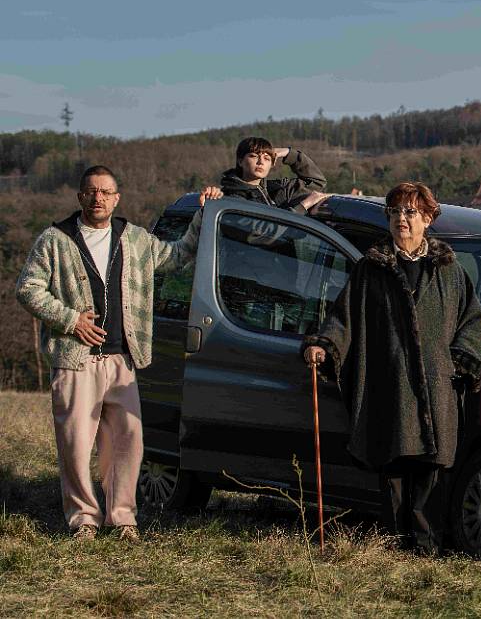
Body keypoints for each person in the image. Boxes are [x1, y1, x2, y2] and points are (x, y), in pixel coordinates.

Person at [15, 166, 222, 541]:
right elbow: (27, 288)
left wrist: (203, 213)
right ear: (80, 197)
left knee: (128, 443)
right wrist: (69, 319)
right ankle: (83, 520)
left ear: (117, 198)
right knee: (76, 445)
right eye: (91, 192)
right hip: (75, 360)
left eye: (106, 192)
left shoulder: (136, 239)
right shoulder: (54, 239)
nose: (99, 198)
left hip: (123, 359)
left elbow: (178, 257)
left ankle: (123, 517)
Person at [301, 182, 481, 555]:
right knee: (395, 465)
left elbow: (474, 320)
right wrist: (323, 345)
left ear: (429, 218)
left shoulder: (449, 271)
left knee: (432, 469)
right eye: (395, 212)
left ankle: (428, 545)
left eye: (410, 212)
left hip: (437, 386)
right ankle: (397, 542)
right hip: (390, 384)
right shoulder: (371, 269)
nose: (401, 219)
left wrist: (460, 359)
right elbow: (344, 317)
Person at [220, 136, 330, 213]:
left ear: (272, 164)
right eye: (254, 156)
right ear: (240, 161)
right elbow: (262, 234)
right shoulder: (233, 198)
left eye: (267, 158)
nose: (261, 162)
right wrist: (303, 207)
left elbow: (317, 182)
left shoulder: (277, 190)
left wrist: (289, 154)